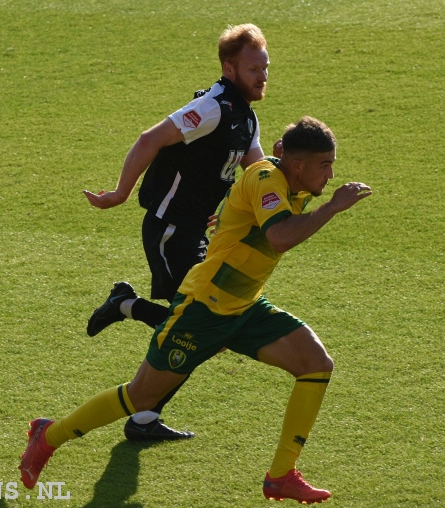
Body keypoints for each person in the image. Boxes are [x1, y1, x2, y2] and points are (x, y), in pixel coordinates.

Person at [20, 117, 372, 503]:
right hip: (202, 309)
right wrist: (334, 208)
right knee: (140, 399)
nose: (331, 174)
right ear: (299, 165)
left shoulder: (291, 177)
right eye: (325, 165)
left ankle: (281, 475)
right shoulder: (268, 180)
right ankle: (48, 435)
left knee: (316, 364)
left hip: (245, 308)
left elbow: (262, 185)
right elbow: (279, 236)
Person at [82, 24, 270, 441]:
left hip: (192, 231)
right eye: (254, 68)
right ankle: (125, 305)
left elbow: (257, 176)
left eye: (266, 67)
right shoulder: (212, 106)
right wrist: (119, 194)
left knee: (203, 329)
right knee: (199, 327)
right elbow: (150, 138)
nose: (262, 76)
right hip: (169, 228)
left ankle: (144, 418)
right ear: (229, 68)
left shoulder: (246, 117)